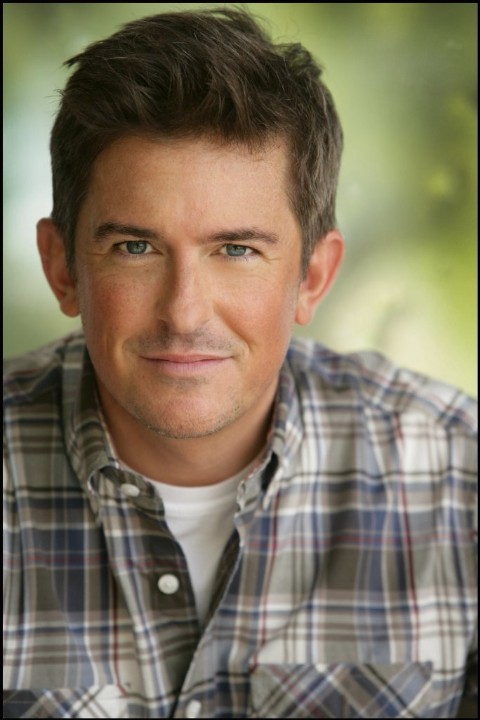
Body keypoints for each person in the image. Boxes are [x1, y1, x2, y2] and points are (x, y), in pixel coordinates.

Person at [3, 7, 476, 719]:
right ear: (62, 267)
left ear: (312, 277)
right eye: (136, 248)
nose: (184, 312)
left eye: (236, 250)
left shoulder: (458, 481)